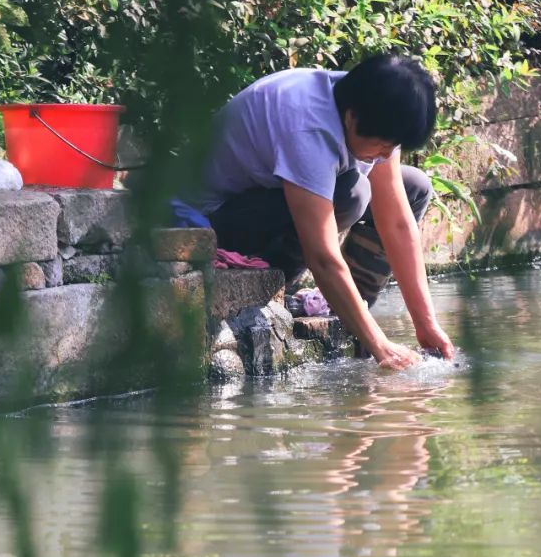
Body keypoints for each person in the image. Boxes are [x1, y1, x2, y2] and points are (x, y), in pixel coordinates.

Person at [189, 54, 455, 369]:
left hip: (261, 207)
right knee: (352, 194)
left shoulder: (369, 101)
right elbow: (323, 257)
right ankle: (288, 292)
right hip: (210, 227)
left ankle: (348, 316)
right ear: (353, 119)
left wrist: (426, 324)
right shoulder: (308, 126)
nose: (386, 154)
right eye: (383, 145)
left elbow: (396, 221)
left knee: (414, 188)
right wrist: (381, 345)